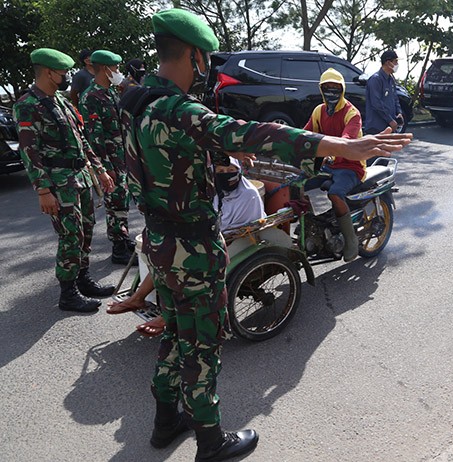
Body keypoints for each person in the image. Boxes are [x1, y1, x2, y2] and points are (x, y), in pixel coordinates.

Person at [118, 9, 411, 461]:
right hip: (193, 248)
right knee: (202, 344)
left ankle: (164, 422)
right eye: (206, 59)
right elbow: (252, 132)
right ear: (195, 55)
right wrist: (341, 147)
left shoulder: (136, 105)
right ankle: (211, 442)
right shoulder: (178, 109)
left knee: (175, 333)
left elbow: (190, 158)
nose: (207, 68)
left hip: (159, 241)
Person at [108, 157, 267, 337]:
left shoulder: (248, 195)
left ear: (238, 171)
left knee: (186, 262)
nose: (225, 175)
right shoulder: (212, 190)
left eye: (229, 170)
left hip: (237, 242)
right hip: (209, 237)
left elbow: (247, 228)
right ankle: (138, 298)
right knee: (165, 251)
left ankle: (172, 314)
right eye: (220, 171)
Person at [13, 48, 116, 313]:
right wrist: (43, 190)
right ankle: (68, 293)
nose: (67, 76)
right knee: (71, 235)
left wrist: (99, 170)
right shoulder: (28, 105)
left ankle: (82, 279)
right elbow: (29, 152)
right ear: (48, 72)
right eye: (63, 72)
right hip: (58, 183)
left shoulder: (60, 101)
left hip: (79, 177)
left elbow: (81, 140)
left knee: (86, 230)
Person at [303, 68, 365, 261]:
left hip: (351, 166)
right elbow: (305, 133)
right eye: (327, 87)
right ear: (321, 90)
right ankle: (311, 228)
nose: (331, 91)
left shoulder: (351, 113)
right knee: (295, 184)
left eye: (335, 87)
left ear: (342, 89)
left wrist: (332, 151)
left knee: (335, 194)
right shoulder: (319, 111)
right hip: (328, 164)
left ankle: (351, 240)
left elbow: (347, 138)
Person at [79, 50, 133, 265]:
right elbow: (95, 137)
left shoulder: (110, 92)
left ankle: (123, 237)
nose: (118, 71)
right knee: (115, 203)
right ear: (104, 68)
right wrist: (105, 167)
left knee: (122, 200)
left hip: (121, 157)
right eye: (116, 68)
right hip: (110, 160)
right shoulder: (91, 97)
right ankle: (119, 248)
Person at [364, 49, 403, 135]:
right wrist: (390, 120)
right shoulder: (375, 79)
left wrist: (399, 113)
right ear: (388, 63)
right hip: (376, 128)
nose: (397, 65)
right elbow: (376, 103)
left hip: (389, 127)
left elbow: (395, 99)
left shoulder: (391, 80)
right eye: (395, 62)